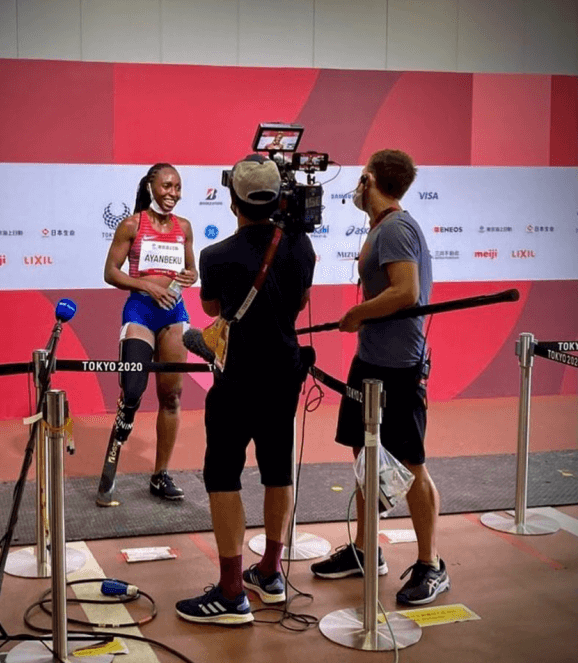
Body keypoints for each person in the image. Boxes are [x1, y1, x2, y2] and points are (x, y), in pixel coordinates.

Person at [176, 154, 316, 625]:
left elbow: (216, 308)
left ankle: (232, 592)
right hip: (284, 376)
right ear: (279, 198)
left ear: (233, 202)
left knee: (223, 475)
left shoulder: (216, 257)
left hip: (236, 380)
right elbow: (298, 304)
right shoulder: (302, 248)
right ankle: (271, 573)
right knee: (278, 470)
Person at [310, 149, 450, 606]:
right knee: (366, 456)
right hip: (370, 362)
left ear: (369, 179)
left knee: (410, 464)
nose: (355, 185)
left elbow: (406, 292)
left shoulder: (395, 228)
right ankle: (366, 552)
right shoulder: (383, 227)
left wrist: (357, 313)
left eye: (359, 178)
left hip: (399, 369)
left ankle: (431, 565)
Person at [97, 163, 197, 505]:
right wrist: (146, 287)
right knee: (133, 391)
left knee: (171, 397)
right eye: (167, 186)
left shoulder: (183, 227)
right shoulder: (131, 224)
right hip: (140, 310)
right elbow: (110, 272)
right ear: (151, 186)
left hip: (174, 313)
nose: (173, 193)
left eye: (178, 187)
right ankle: (111, 465)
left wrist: (189, 276)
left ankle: (160, 475)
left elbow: (192, 269)